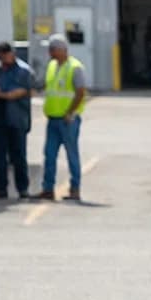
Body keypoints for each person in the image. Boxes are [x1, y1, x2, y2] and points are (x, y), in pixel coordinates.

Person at [33, 33, 87, 202]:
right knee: (49, 155)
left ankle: (75, 188)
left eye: (52, 49)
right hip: (53, 119)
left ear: (62, 50)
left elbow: (80, 92)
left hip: (68, 120)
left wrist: (70, 112)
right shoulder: (52, 66)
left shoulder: (75, 67)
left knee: (72, 155)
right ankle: (48, 189)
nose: (50, 53)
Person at [0, 42, 34, 200]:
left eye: (5, 56)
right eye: (0, 57)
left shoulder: (23, 71)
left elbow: (21, 92)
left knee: (18, 156)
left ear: (12, 54)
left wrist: (1, 94)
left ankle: (22, 189)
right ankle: (0, 188)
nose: (2, 60)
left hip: (17, 119)